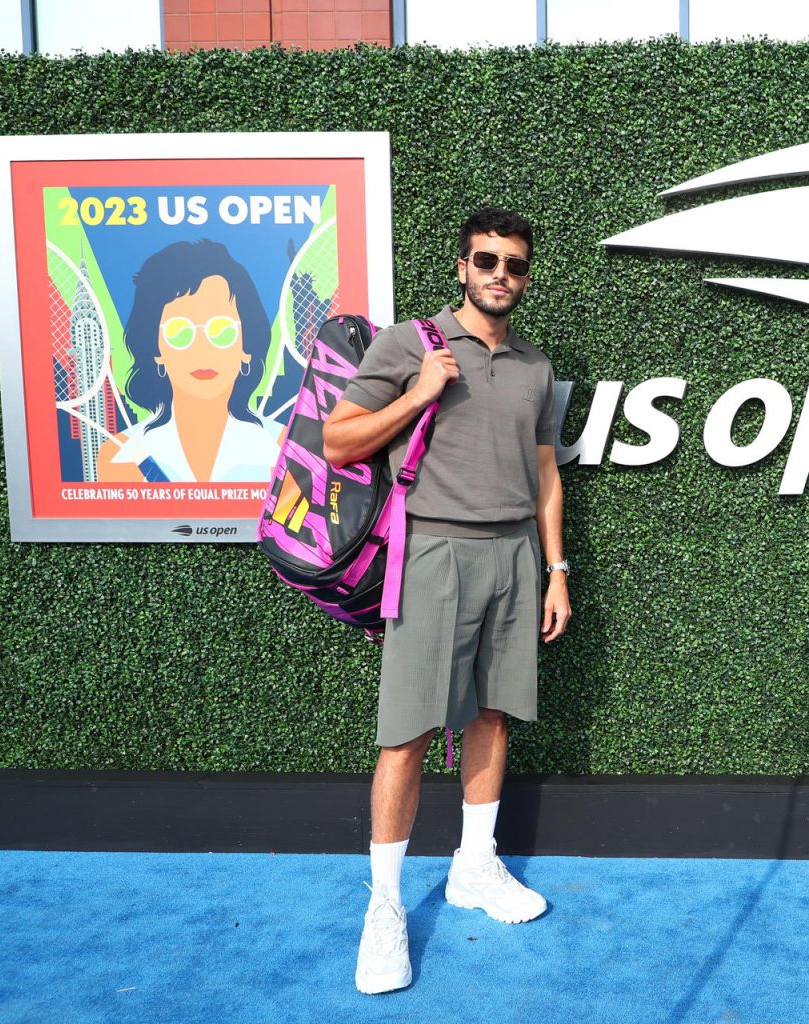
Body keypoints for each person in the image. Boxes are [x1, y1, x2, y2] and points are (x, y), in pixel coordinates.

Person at [322, 207, 572, 995]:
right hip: (432, 550)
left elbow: (545, 475)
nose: (502, 274)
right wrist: (420, 392)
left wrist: (556, 568)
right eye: (488, 260)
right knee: (409, 732)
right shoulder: (409, 344)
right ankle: (386, 909)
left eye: (516, 265)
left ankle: (473, 867)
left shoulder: (534, 365)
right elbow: (339, 440)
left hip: (514, 556)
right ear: (461, 266)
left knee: (492, 714)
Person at [97, 239, 281, 483]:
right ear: (156, 349)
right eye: (179, 332)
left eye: (221, 330)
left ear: (246, 345)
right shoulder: (119, 456)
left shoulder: (285, 449)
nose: (202, 349)